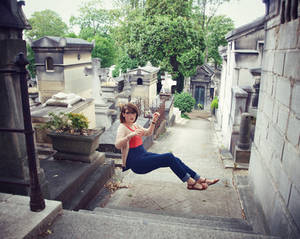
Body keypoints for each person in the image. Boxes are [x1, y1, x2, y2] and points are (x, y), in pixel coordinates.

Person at [115, 103, 219, 191]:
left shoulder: (135, 125)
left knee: (174, 159)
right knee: (168, 157)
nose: (131, 115)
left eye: (133, 113)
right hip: (136, 162)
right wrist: (129, 136)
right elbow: (117, 144)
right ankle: (190, 182)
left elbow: (148, 133)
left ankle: (199, 178)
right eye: (128, 113)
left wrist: (154, 121)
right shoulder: (122, 127)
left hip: (143, 155)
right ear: (123, 114)